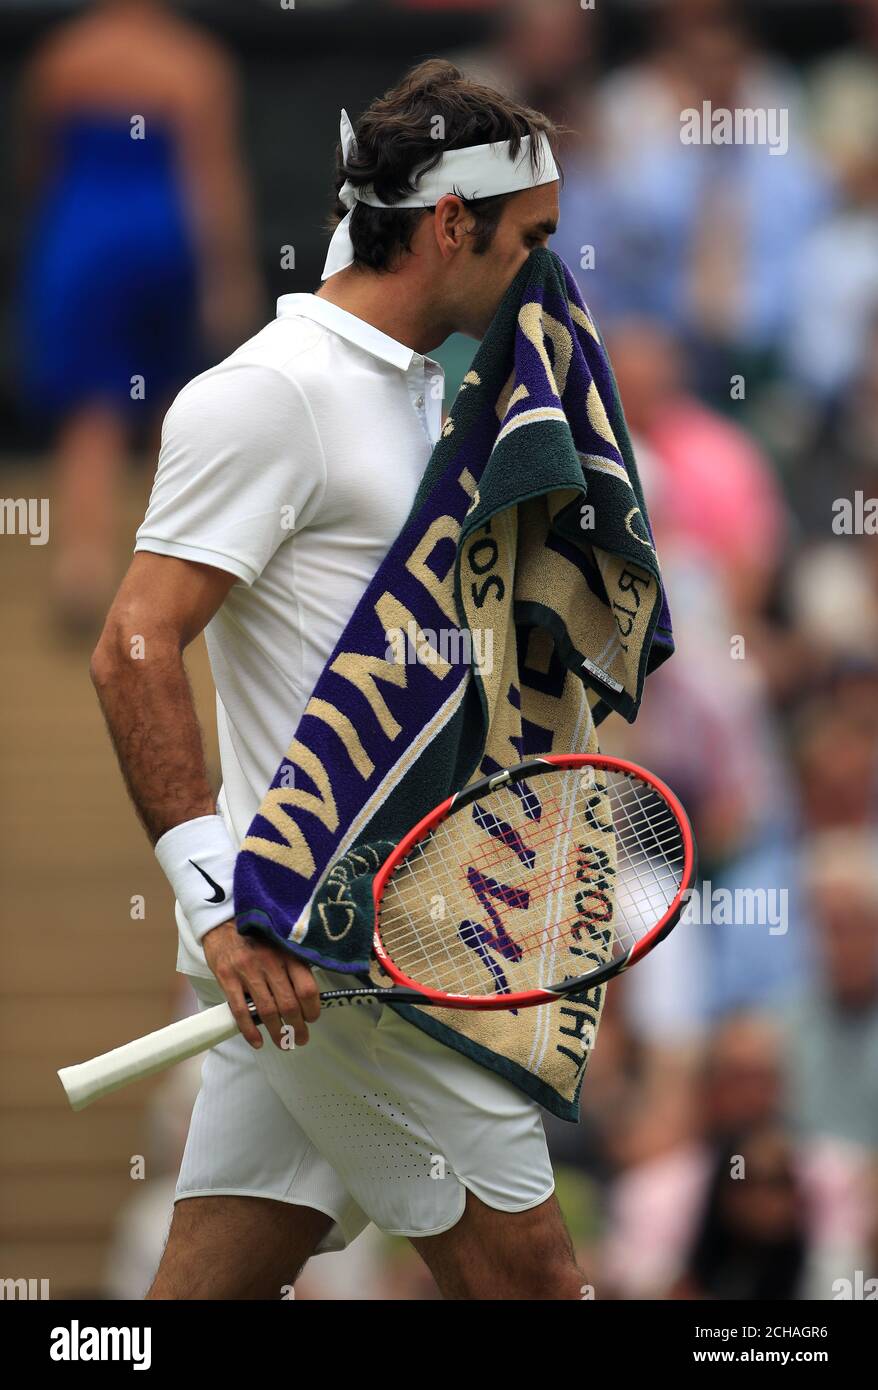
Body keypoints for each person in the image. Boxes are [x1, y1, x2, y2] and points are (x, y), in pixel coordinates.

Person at [90, 59, 586, 1300]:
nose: (551, 275)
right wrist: (217, 904)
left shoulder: (430, 393)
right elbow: (134, 646)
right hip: (331, 948)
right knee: (534, 1281)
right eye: (534, 239)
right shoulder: (271, 392)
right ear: (450, 224)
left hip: (362, 950)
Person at [17, 0, 261, 632]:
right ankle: (166, 576)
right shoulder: (193, 61)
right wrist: (229, 275)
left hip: (80, 239)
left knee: (90, 407)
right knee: (173, 409)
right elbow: (212, 176)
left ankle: (82, 569)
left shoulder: (63, 56)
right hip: (163, 240)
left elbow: (39, 166)